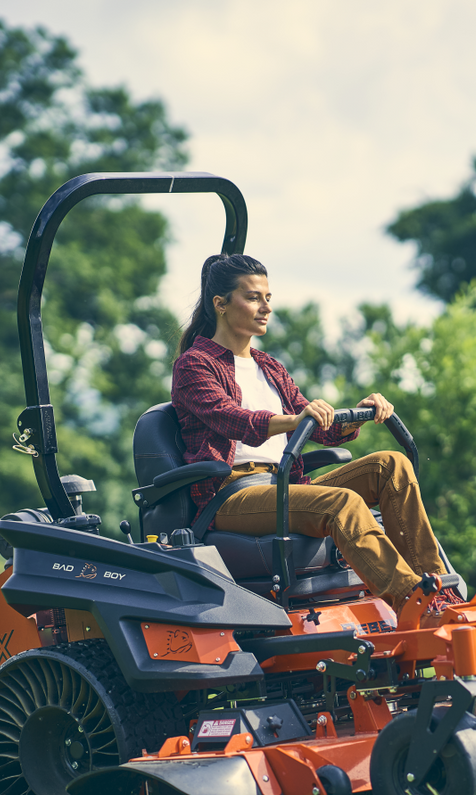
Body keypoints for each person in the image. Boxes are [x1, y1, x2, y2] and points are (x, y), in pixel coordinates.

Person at [170, 253, 460, 615]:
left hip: (283, 485)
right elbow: (232, 419)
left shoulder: (269, 366)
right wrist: (293, 420)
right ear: (221, 304)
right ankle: (411, 599)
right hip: (232, 494)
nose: (265, 308)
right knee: (342, 502)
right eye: (253, 297)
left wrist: (360, 414)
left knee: (392, 464)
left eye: (268, 298)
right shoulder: (195, 365)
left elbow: (322, 430)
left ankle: (440, 592)